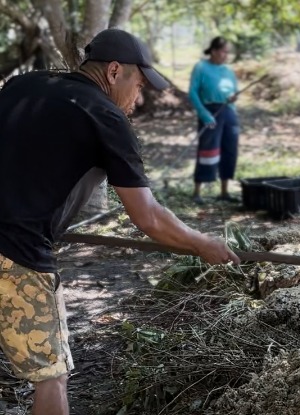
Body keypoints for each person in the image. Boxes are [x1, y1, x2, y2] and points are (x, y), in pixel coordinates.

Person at [0, 28, 240, 415]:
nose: (138, 98)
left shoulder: (22, 85)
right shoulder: (105, 115)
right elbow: (148, 216)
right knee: (51, 376)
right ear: (114, 71)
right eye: (139, 84)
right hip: (16, 253)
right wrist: (202, 244)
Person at [188, 36, 240, 205]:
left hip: (228, 112)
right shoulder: (201, 67)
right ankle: (197, 192)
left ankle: (224, 191)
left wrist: (233, 98)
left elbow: (234, 91)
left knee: (229, 149)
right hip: (210, 112)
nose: (226, 55)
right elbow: (193, 92)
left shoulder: (228, 71)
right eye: (224, 51)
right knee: (207, 149)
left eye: (227, 52)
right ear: (214, 51)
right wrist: (203, 114)